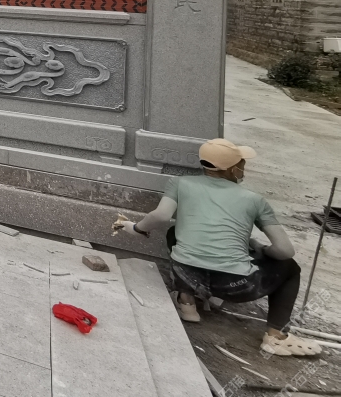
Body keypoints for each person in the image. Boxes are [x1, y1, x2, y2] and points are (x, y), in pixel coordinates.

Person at [113, 138, 320, 356]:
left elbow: (161, 215)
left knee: (175, 233)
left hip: (188, 275)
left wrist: (136, 228)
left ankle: (186, 302)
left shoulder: (180, 183)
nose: (243, 167)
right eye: (242, 163)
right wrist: (261, 249)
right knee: (289, 267)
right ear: (233, 168)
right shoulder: (254, 200)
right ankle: (276, 336)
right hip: (235, 286)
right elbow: (285, 250)